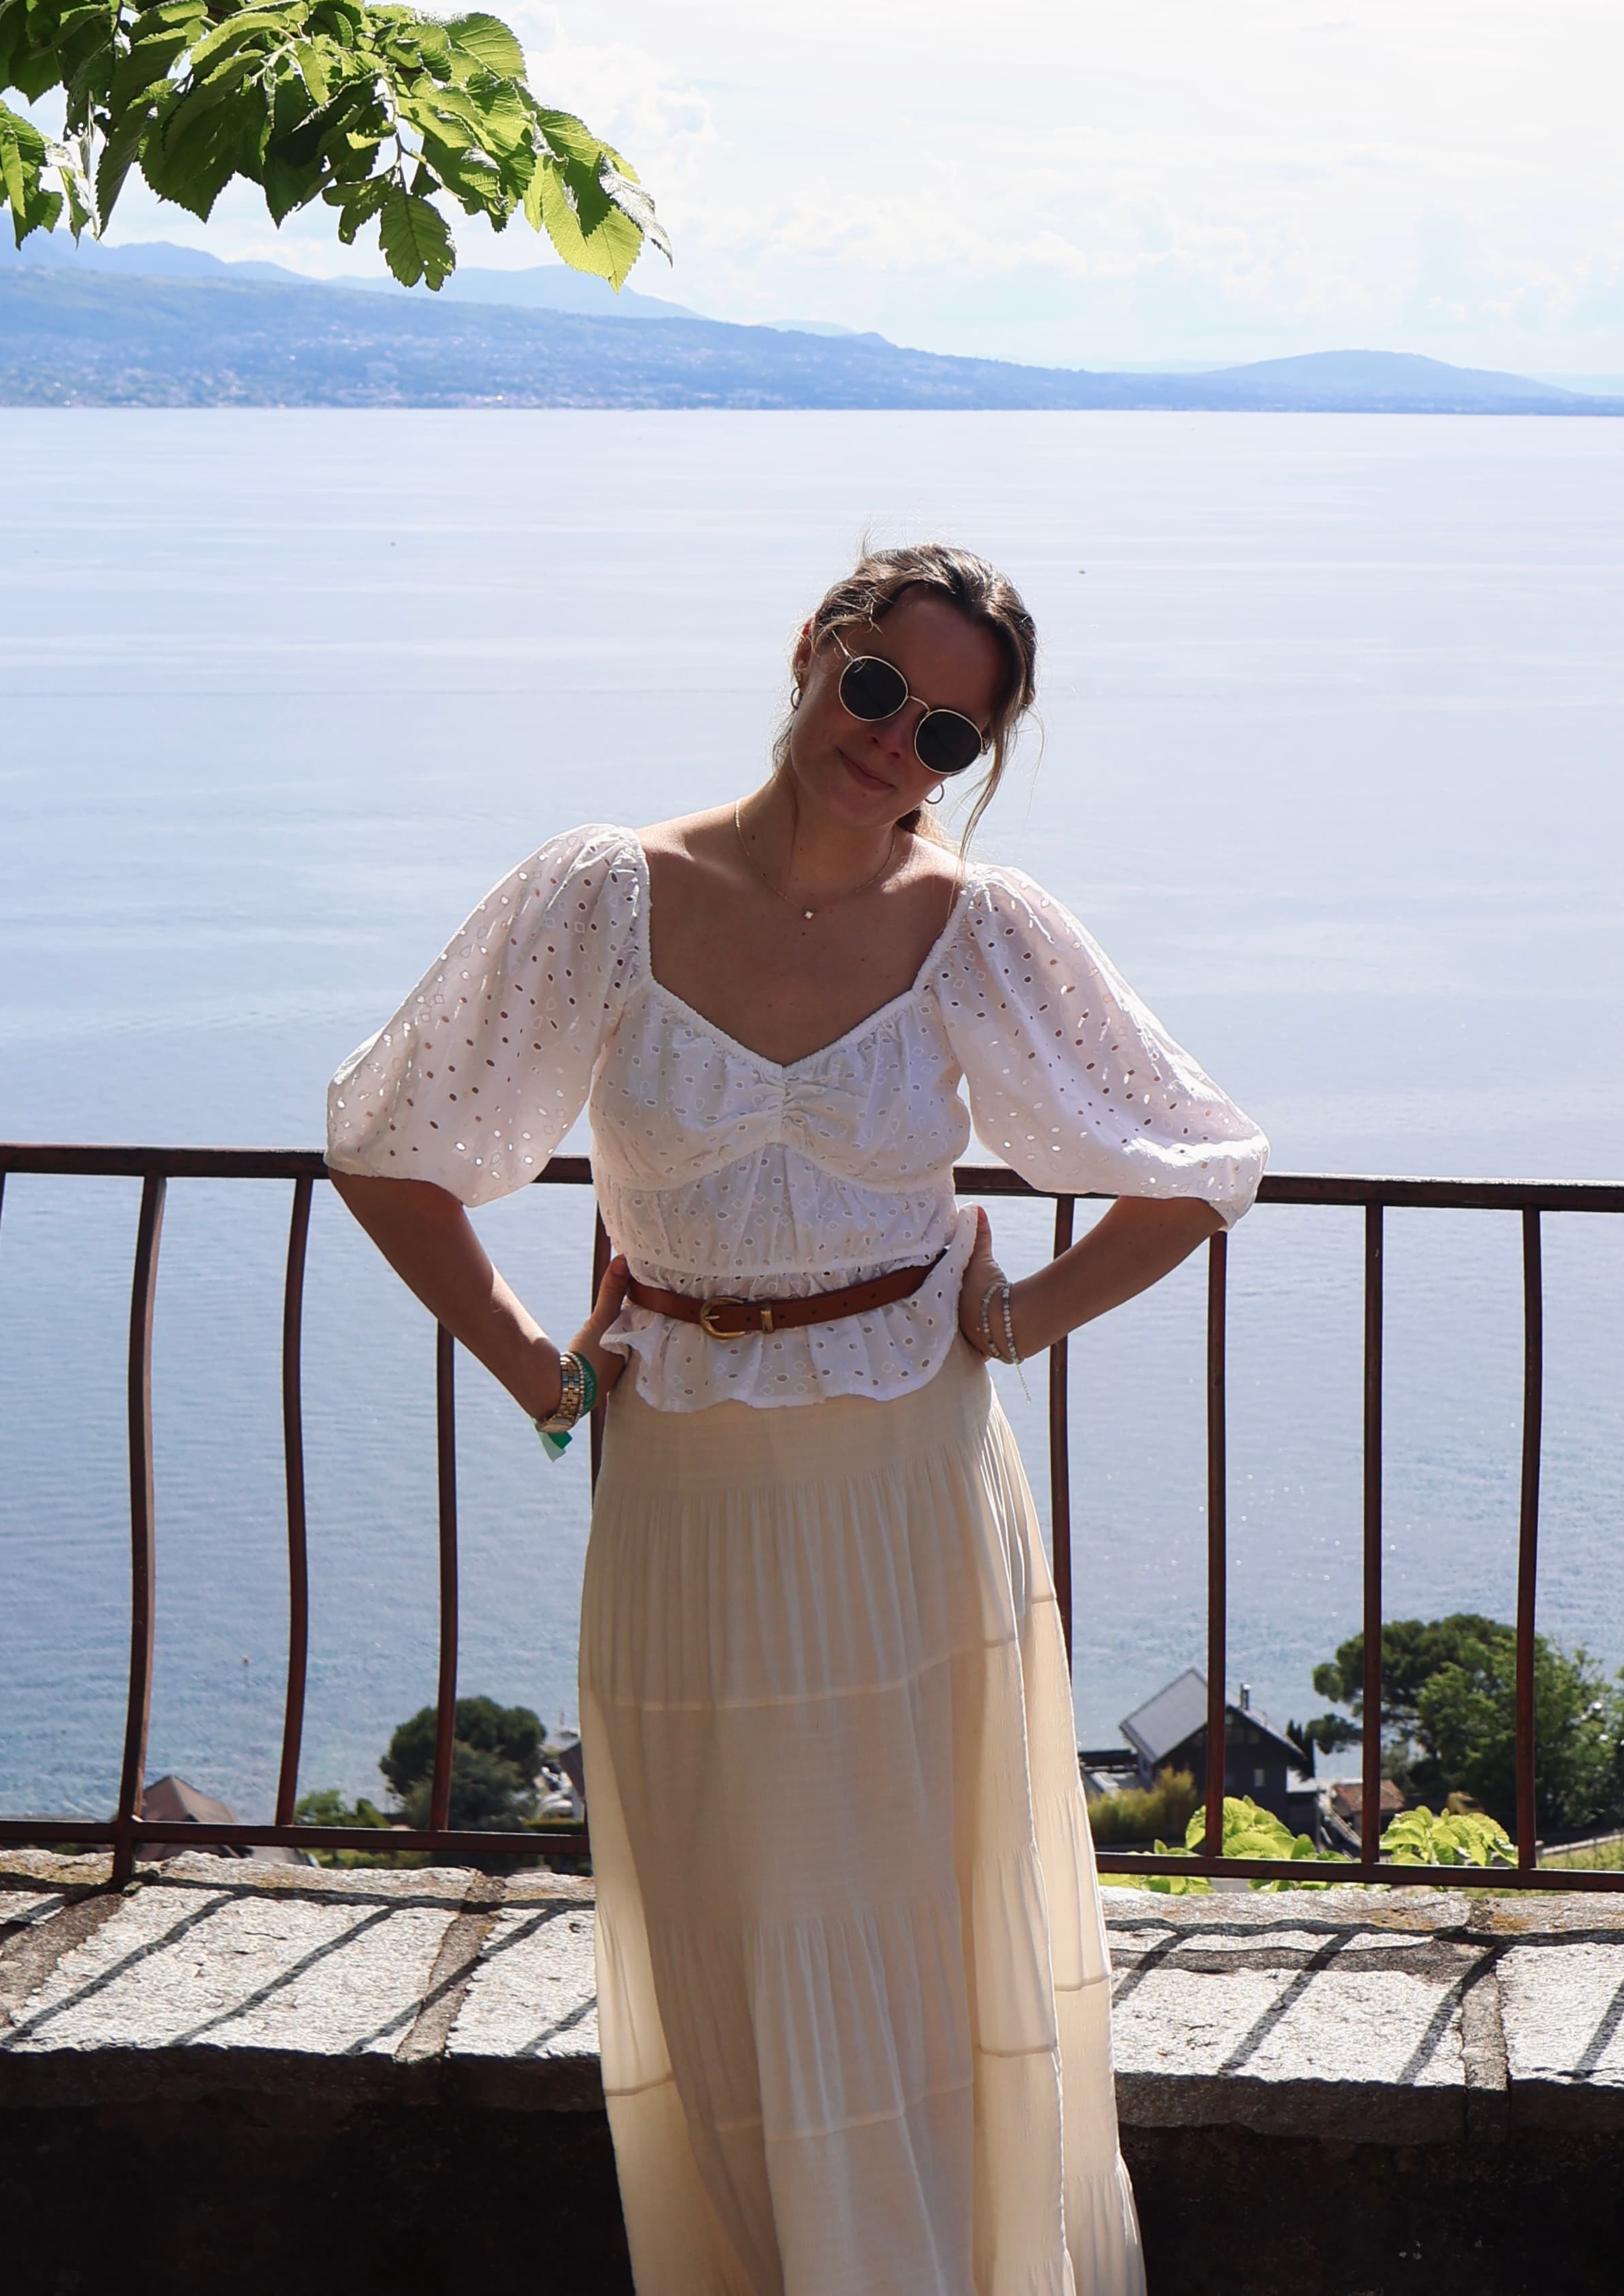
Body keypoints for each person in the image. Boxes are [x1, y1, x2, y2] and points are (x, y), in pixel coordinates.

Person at [327, 539, 1267, 2296]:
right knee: (723, 1933)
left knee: (917, 1938)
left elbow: (1202, 1159)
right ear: (813, 655)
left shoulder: (981, 929)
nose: (896, 744)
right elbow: (392, 1139)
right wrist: (532, 1362)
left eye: (947, 736)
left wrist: (1026, 1313)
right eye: (878, 690)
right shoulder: (605, 894)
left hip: (908, 1481)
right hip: (685, 1489)